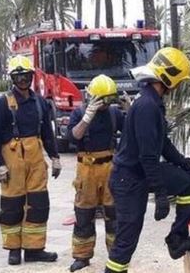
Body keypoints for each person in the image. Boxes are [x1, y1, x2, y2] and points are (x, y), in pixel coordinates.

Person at [105, 47, 190, 273]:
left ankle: (177, 239)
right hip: (129, 179)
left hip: (140, 172)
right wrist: (160, 192)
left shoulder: (153, 103)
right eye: (179, 81)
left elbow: (163, 144)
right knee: (127, 239)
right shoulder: (146, 107)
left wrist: (186, 164)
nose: (179, 86)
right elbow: (148, 156)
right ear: (168, 77)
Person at [0, 55, 61, 265]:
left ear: (31, 76)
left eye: (26, 76)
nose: (23, 80)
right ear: (13, 79)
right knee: (13, 204)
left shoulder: (40, 102)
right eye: (18, 76)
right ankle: (14, 249)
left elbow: (47, 134)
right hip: (12, 159)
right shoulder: (3, 103)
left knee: (38, 204)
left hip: (35, 159)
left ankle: (34, 249)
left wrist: (55, 157)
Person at [67, 75, 125, 272]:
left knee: (114, 214)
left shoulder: (113, 114)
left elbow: (131, 132)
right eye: (102, 100)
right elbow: (73, 137)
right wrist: (86, 119)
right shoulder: (80, 113)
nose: (105, 105)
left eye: (109, 100)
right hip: (87, 169)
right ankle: (82, 256)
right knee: (84, 214)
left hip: (110, 167)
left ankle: (116, 255)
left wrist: (130, 110)